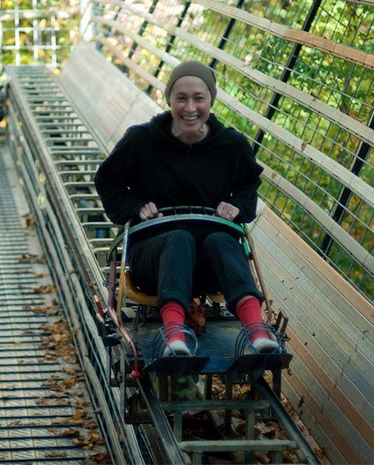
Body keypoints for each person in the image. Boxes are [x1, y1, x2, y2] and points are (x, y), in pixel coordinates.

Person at [94, 61, 279, 356]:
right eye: (181, 98)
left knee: (222, 240)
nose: (190, 107)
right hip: (154, 259)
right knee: (178, 237)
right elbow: (107, 180)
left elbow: (248, 185)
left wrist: (236, 206)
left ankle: (257, 331)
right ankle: (173, 334)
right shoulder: (142, 140)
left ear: (211, 100)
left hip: (210, 264)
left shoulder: (230, 145)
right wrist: (135, 207)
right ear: (169, 100)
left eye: (199, 98)